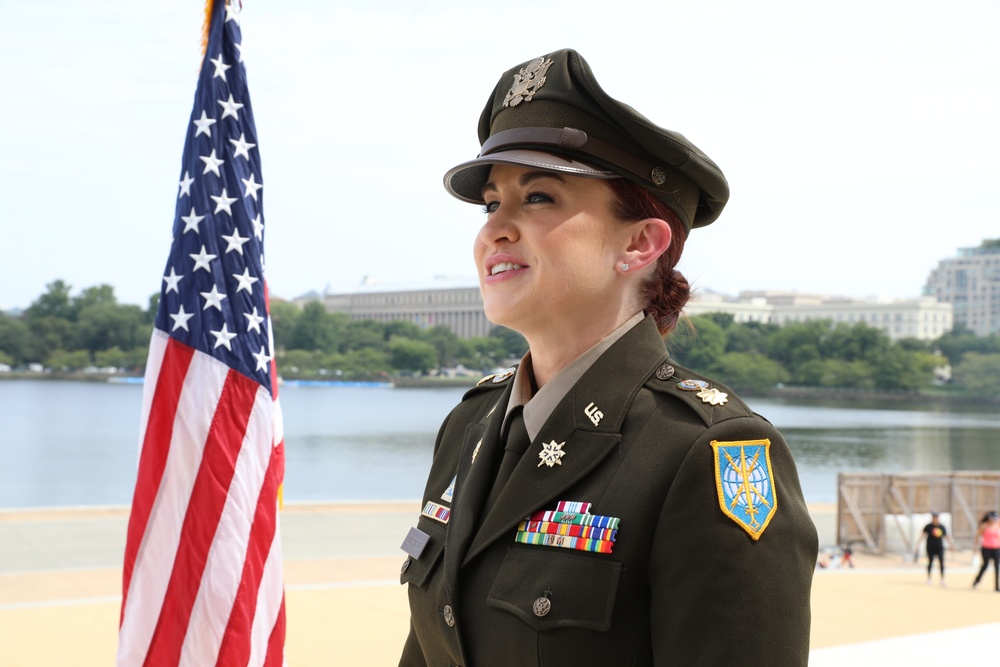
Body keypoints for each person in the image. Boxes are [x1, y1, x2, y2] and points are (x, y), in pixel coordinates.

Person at [397, 49, 818, 667]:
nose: (495, 230)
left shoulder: (706, 453)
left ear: (640, 242)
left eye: (538, 197)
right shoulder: (471, 425)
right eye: (491, 204)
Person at [915, 512, 954, 585]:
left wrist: (951, 544)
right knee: (930, 562)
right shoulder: (928, 526)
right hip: (930, 547)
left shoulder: (941, 527)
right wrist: (918, 544)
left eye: (937, 517)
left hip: (939, 547)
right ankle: (929, 578)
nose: (935, 519)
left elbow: (946, 536)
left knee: (941, 562)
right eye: (934, 517)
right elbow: (923, 535)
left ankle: (942, 579)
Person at [972, 511, 1000, 592]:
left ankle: (997, 586)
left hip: (996, 548)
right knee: (985, 565)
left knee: (997, 567)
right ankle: (977, 580)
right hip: (986, 548)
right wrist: (975, 547)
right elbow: (977, 536)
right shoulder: (984, 526)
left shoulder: (998, 525)